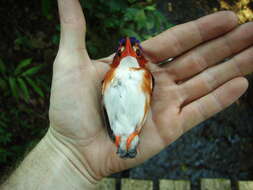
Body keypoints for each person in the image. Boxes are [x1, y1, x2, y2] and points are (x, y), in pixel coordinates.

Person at [1, 0, 253, 189]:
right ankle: (126, 138)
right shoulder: (110, 75)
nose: (130, 52)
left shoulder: (145, 75)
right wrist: (67, 152)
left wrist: (70, 157)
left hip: (130, 129)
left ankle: (127, 137)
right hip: (122, 130)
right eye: (123, 51)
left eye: (135, 52)